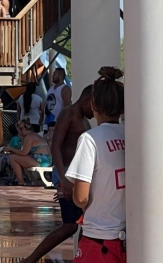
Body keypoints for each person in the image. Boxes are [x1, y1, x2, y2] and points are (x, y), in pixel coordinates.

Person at [21, 85, 94, 263]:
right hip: (68, 174)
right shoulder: (69, 114)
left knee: (85, 223)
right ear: (86, 102)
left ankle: (82, 257)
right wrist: (63, 178)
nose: (95, 111)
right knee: (70, 225)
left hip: (77, 176)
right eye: (94, 106)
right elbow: (56, 145)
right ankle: (31, 259)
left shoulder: (83, 118)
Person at [64, 67, 125, 263]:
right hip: (127, 238)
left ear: (93, 105)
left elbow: (81, 198)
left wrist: (72, 194)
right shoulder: (129, 135)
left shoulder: (90, 139)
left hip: (99, 239)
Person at [1, 119, 52, 186]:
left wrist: (11, 149)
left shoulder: (29, 137)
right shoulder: (32, 135)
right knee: (16, 156)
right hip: (45, 159)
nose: (18, 134)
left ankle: (20, 181)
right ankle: (20, 179)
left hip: (41, 160)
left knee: (13, 157)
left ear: (23, 129)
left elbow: (24, 153)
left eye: (18, 131)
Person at [44, 67, 72, 133]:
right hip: (47, 122)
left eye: (54, 74)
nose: (52, 76)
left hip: (56, 122)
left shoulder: (65, 89)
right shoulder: (51, 87)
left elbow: (67, 107)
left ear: (60, 76)